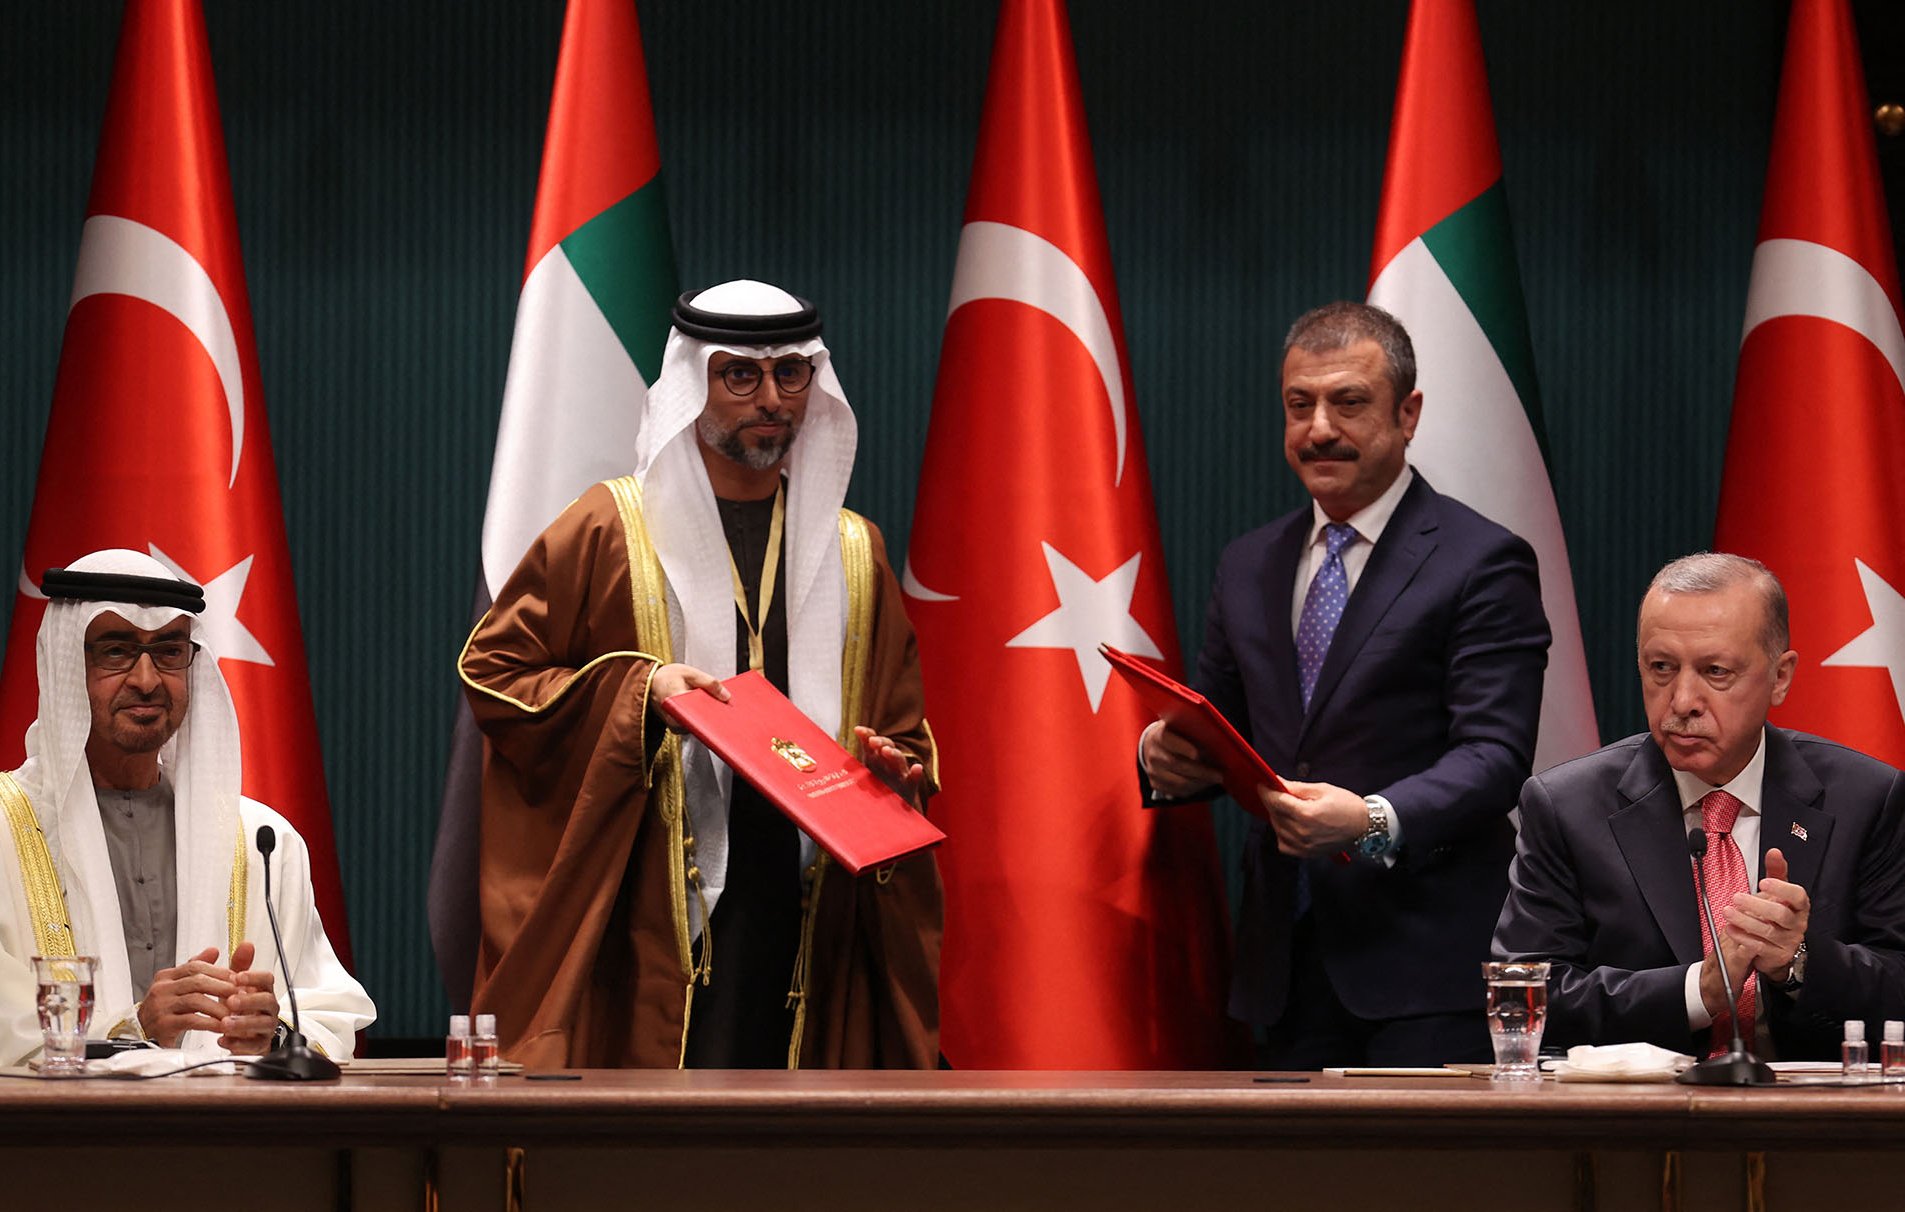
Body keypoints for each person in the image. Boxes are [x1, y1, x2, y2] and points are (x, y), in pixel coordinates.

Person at [460, 280, 941, 1070]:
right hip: (651, 895)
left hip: (807, 898)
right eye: (740, 375)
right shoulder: (610, 528)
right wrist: (639, 694)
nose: (771, 398)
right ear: (692, 384)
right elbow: (497, 675)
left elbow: (900, 720)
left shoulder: (856, 551)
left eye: (792, 374)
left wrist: (898, 766)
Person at [1140, 301, 1551, 1067]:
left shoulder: (1481, 560)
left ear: (1407, 413)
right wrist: (1165, 755)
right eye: (1300, 406)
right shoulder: (1247, 564)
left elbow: (1495, 755)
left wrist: (1369, 820)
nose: (1319, 429)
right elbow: (1220, 727)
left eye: (1348, 403)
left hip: (1424, 973)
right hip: (1279, 966)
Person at [1494, 554, 1905, 1058]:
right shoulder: (1566, 807)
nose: (1682, 699)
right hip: (1636, 1125)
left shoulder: (1867, 799)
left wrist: (1798, 962)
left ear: (1780, 677)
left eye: (1715, 671)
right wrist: (1700, 991)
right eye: (1661, 668)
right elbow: (1524, 998)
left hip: (1813, 1123)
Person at [0, 550, 373, 1064]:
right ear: (66, 665)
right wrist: (134, 1029)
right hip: (55, 1140)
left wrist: (274, 1033)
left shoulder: (262, 841)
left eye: (170, 651)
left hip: (226, 1135)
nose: (148, 680)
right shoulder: (5, 829)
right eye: (115, 652)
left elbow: (328, 1006)